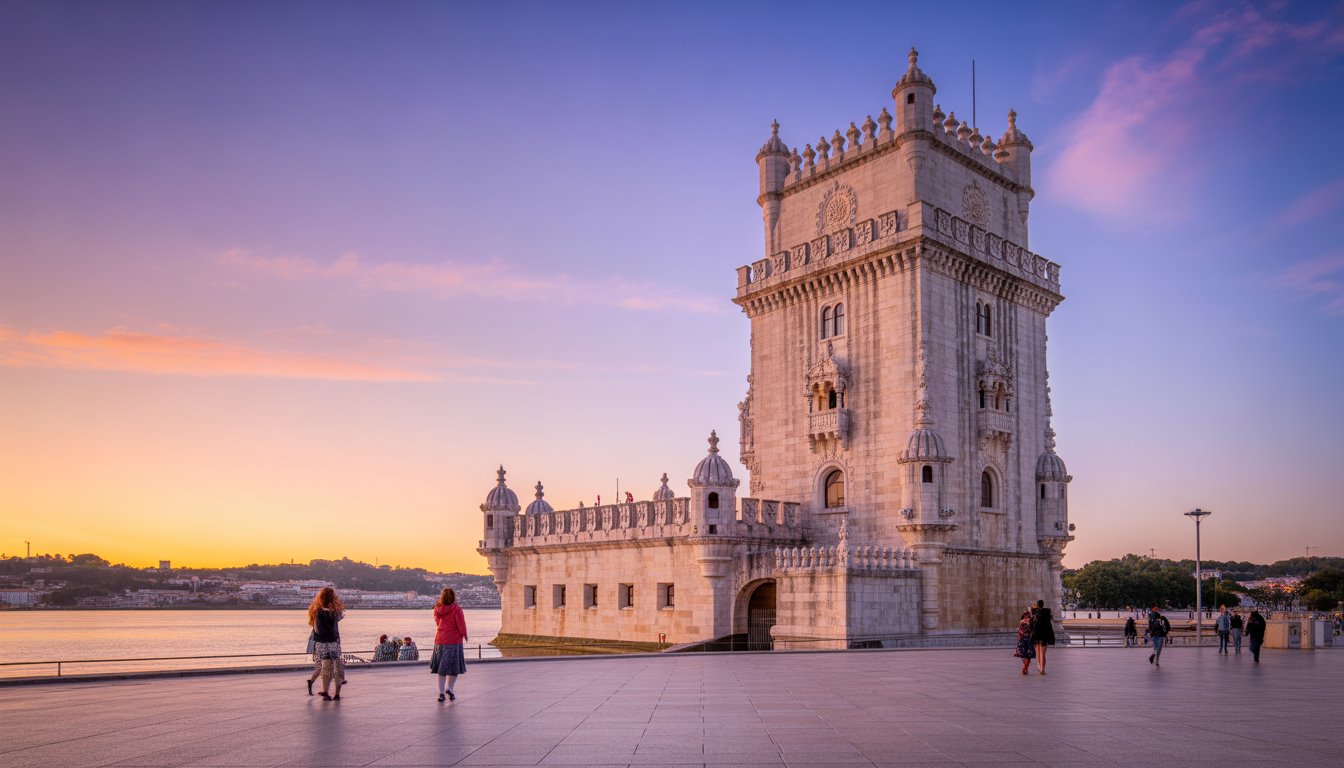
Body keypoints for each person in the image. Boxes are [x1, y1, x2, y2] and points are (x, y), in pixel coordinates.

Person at [431, 587, 468, 702]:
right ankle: (450, 688)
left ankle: (441, 693)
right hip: (454, 640)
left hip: (440, 639)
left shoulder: (437, 607)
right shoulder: (456, 608)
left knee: (441, 669)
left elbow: (437, 622)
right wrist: (464, 634)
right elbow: (461, 623)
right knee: (454, 667)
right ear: (453, 596)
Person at [308, 586, 346, 700]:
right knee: (337, 668)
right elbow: (336, 627)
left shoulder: (317, 613)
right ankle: (337, 694)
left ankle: (326, 692)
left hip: (322, 644)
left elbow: (317, 630)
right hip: (333, 643)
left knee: (326, 668)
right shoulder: (335, 613)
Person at [1031, 599, 1055, 674]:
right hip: (1045, 635)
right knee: (1043, 653)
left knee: (1037, 651)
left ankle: (1039, 666)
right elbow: (1051, 619)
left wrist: (1033, 608)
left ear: (1037, 605)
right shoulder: (1048, 612)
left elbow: (1032, 620)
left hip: (1037, 634)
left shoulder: (1035, 612)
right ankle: (1042, 669)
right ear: (1043, 605)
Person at [1013, 610, 1036, 674]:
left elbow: (1019, 632)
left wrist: (1019, 639)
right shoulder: (1030, 621)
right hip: (1028, 640)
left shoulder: (1021, 622)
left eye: (1027, 614)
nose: (1027, 616)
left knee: (1025, 655)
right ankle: (1025, 668)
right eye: (1026, 615)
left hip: (1023, 639)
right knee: (1028, 655)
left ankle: (1025, 668)